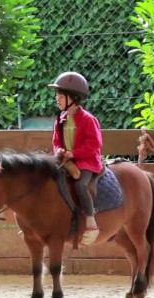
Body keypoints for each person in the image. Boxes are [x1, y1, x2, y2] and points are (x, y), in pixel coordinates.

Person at [49, 72, 103, 245]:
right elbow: (56, 141)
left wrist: (74, 153)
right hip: (66, 160)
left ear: (73, 97)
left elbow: (95, 143)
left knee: (80, 184)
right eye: (57, 95)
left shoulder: (88, 119)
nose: (57, 99)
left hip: (87, 161)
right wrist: (59, 151)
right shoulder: (60, 119)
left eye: (60, 95)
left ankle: (90, 221)